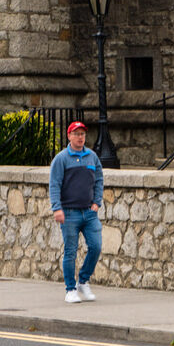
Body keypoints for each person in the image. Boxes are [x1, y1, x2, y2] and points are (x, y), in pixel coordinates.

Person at [48, 120, 104, 303]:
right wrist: (57, 208)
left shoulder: (92, 157)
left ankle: (83, 281)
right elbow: (54, 184)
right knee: (71, 251)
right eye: (77, 134)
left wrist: (97, 201)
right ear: (69, 136)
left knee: (95, 246)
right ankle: (70, 289)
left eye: (82, 134)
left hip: (89, 213)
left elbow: (99, 180)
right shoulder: (61, 159)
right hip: (69, 212)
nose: (80, 137)